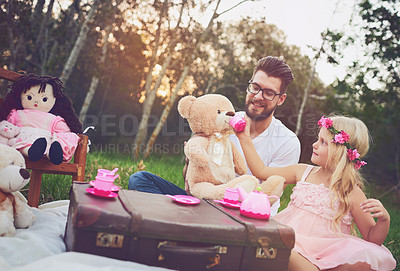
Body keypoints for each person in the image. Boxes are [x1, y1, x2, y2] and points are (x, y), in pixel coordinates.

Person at [129, 56, 301, 216]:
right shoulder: (222, 120)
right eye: (255, 87)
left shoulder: (288, 142)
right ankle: (177, 224)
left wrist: (244, 138)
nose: (257, 96)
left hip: (242, 216)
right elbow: (194, 180)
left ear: (281, 99)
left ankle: (176, 222)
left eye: (268, 93)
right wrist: (191, 166)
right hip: (205, 201)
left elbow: (268, 195)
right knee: (140, 179)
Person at [234, 114, 396, 270]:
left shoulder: (351, 191)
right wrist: (244, 138)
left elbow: (371, 237)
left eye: (324, 142)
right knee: (282, 249)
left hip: (327, 253)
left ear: (340, 152)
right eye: (318, 139)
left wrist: (384, 220)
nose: (315, 145)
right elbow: (261, 170)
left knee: (362, 262)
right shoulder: (303, 172)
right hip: (292, 241)